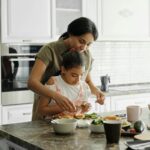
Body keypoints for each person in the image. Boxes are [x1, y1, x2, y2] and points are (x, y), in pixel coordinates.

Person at [27, 17, 105, 120]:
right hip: (45, 119)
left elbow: (87, 80)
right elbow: (32, 82)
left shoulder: (86, 55)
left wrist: (97, 92)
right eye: (81, 41)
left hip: (73, 120)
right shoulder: (49, 50)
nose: (84, 47)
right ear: (71, 34)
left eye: (88, 44)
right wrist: (56, 96)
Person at [37, 51, 91, 120]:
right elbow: (41, 110)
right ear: (63, 70)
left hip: (76, 127)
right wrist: (62, 108)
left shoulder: (84, 86)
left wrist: (86, 107)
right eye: (74, 75)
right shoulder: (53, 83)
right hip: (53, 127)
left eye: (81, 75)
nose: (78, 80)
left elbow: (83, 108)